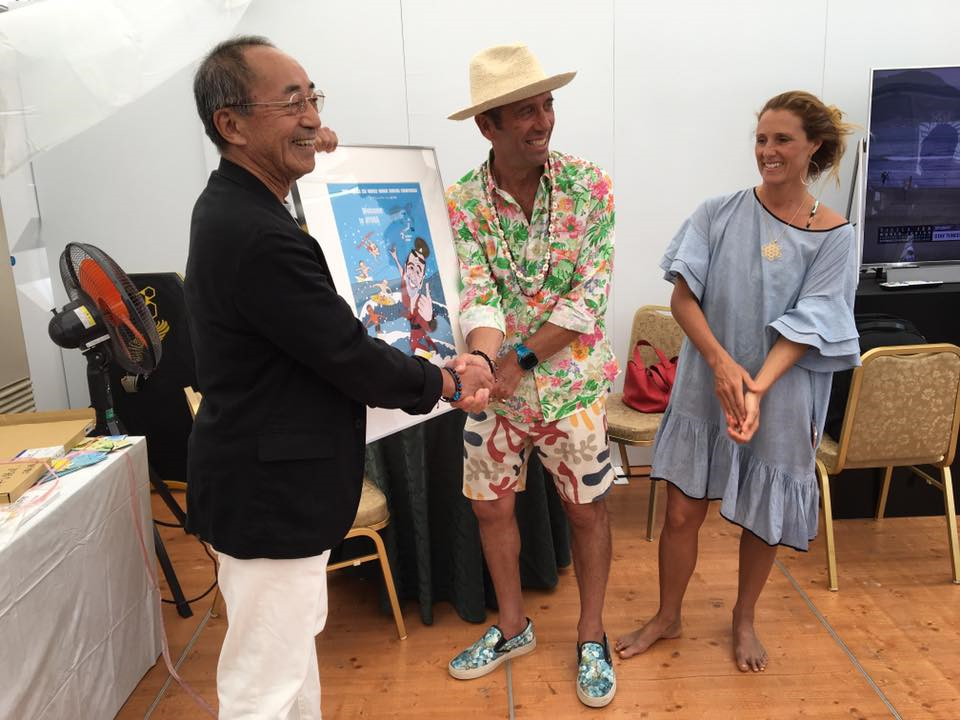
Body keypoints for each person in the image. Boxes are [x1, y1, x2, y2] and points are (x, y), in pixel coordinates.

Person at [185, 36, 492, 719]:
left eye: (313, 98)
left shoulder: (246, 206)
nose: (312, 117)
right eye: (290, 102)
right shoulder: (256, 233)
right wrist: (444, 384)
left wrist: (317, 153)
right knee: (262, 687)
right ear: (231, 124)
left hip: (273, 483)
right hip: (269, 494)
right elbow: (347, 354)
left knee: (291, 664)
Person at [615, 91, 859, 673]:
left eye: (782, 140)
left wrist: (755, 387)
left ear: (813, 146)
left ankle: (744, 618)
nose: (768, 151)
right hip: (707, 379)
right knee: (681, 511)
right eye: (761, 139)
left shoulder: (836, 235)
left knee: (763, 514)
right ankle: (668, 615)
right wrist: (723, 366)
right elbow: (683, 298)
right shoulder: (716, 213)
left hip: (783, 391)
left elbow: (814, 323)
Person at [444, 43, 619, 708]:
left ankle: (592, 635)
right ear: (486, 125)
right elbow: (478, 292)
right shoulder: (463, 201)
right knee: (490, 508)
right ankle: (513, 627)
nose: (543, 120)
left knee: (586, 510)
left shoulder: (589, 185)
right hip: (495, 388)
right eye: (525, 111)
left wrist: (516, 361)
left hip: (571, 386)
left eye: (546, 105)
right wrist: (485, 363)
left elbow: (587, 297)